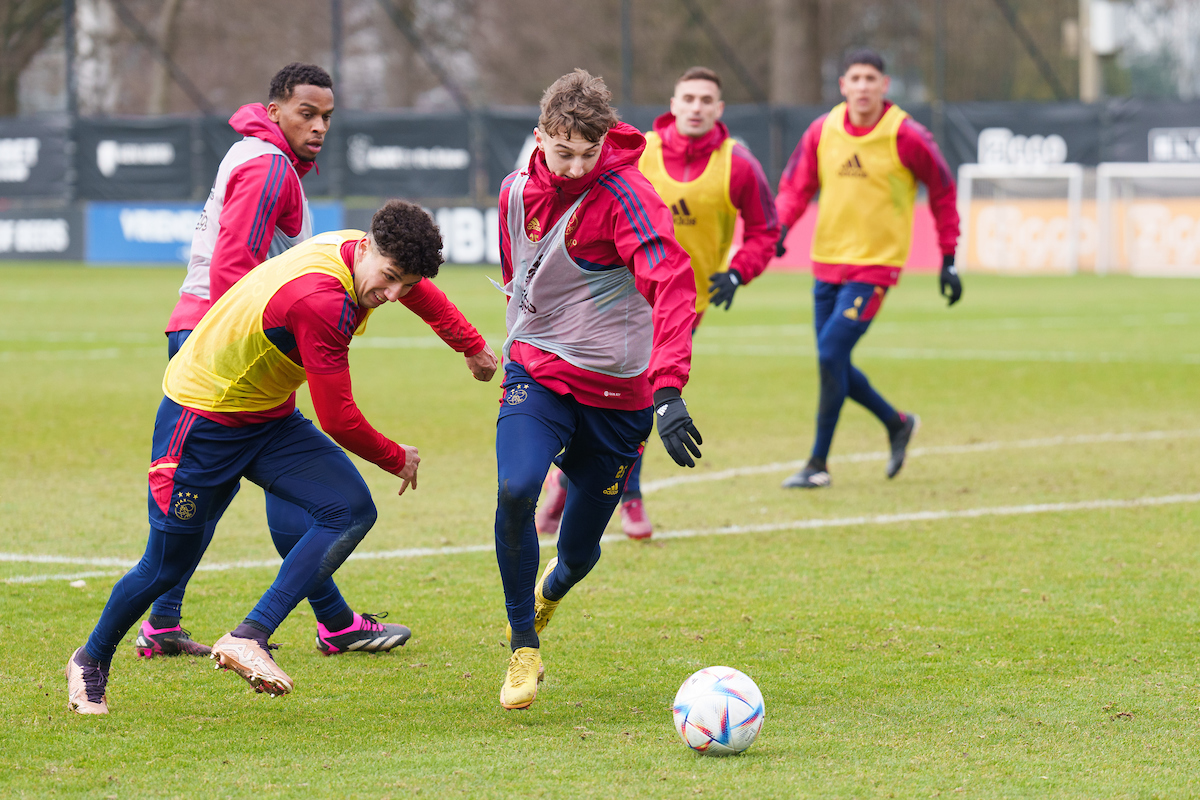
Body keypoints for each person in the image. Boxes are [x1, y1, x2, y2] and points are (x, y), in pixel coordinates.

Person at [66, 201, 498, 715]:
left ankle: (250, 635)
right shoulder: (323, 301)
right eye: (388, 279)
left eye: (404, 283)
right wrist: (394, 456)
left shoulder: (357, 252)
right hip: (202, 422)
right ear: (366, 249)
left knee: (349, 509)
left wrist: (469, 344)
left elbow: (419, 289)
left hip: (265, 418)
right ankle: (89, 660)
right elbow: (339, 419)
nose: (393, 295)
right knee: (165, 566)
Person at [135, 63, 428, 660]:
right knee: (291, 494)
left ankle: (170, 620)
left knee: (245, 495)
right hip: (231, 345)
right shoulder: (267, 166)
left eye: (327, 117)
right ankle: (329, 624)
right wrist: (240, 344)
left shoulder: (266, 159)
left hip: (231, 338)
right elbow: (233, 269)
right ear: (275, 111)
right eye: (307, 114)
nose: (319, 126)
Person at [492, 69, 703, 710]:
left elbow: (670, 282)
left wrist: (667, 389)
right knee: (515, 488)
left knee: (579, 555)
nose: (577, 165)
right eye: (564, 153)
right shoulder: (512, 191)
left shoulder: (626, 195)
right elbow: (519, 277)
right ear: (540, 137)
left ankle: (551, 592)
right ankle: (524, 648)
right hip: (539, 371)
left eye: (590, 153)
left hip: (619, 396)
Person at [535, 66, 778, 540]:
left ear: (719, 109)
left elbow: (767, 231)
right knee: (634, 396)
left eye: (707, 99)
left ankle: (572, 479)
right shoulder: (637, 155)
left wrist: (739, 270)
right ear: (673, 102)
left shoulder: (738, 164)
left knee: (643, 396)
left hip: (681, 301)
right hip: (613, 297)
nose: (696, 107)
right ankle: (622, 496)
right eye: (688, 97)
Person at [774, 48, 961, 489]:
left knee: (830, 355)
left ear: (884, 85)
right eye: (854, 78)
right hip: (826, 263)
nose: (862, 86)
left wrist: (948, 257)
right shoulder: (823, 130)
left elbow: (942, 192)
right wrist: (779, 229)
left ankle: (818, 463)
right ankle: (896, 423)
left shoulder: (907, 136)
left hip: (875, 267)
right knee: (831, 360)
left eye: (870, 78)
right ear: (842, 86)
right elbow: (795, 187)